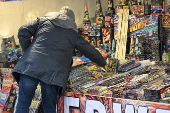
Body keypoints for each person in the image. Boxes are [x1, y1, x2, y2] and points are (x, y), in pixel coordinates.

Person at [12, 6, 106, 113]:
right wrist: (103, 63)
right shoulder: (73, 34)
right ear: (72, 20)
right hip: (53, 74)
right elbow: (89, 50)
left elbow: (23, 30)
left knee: (23, 105)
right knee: (49, 108)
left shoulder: (43, 21)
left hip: (30, 66)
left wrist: (28, 51)